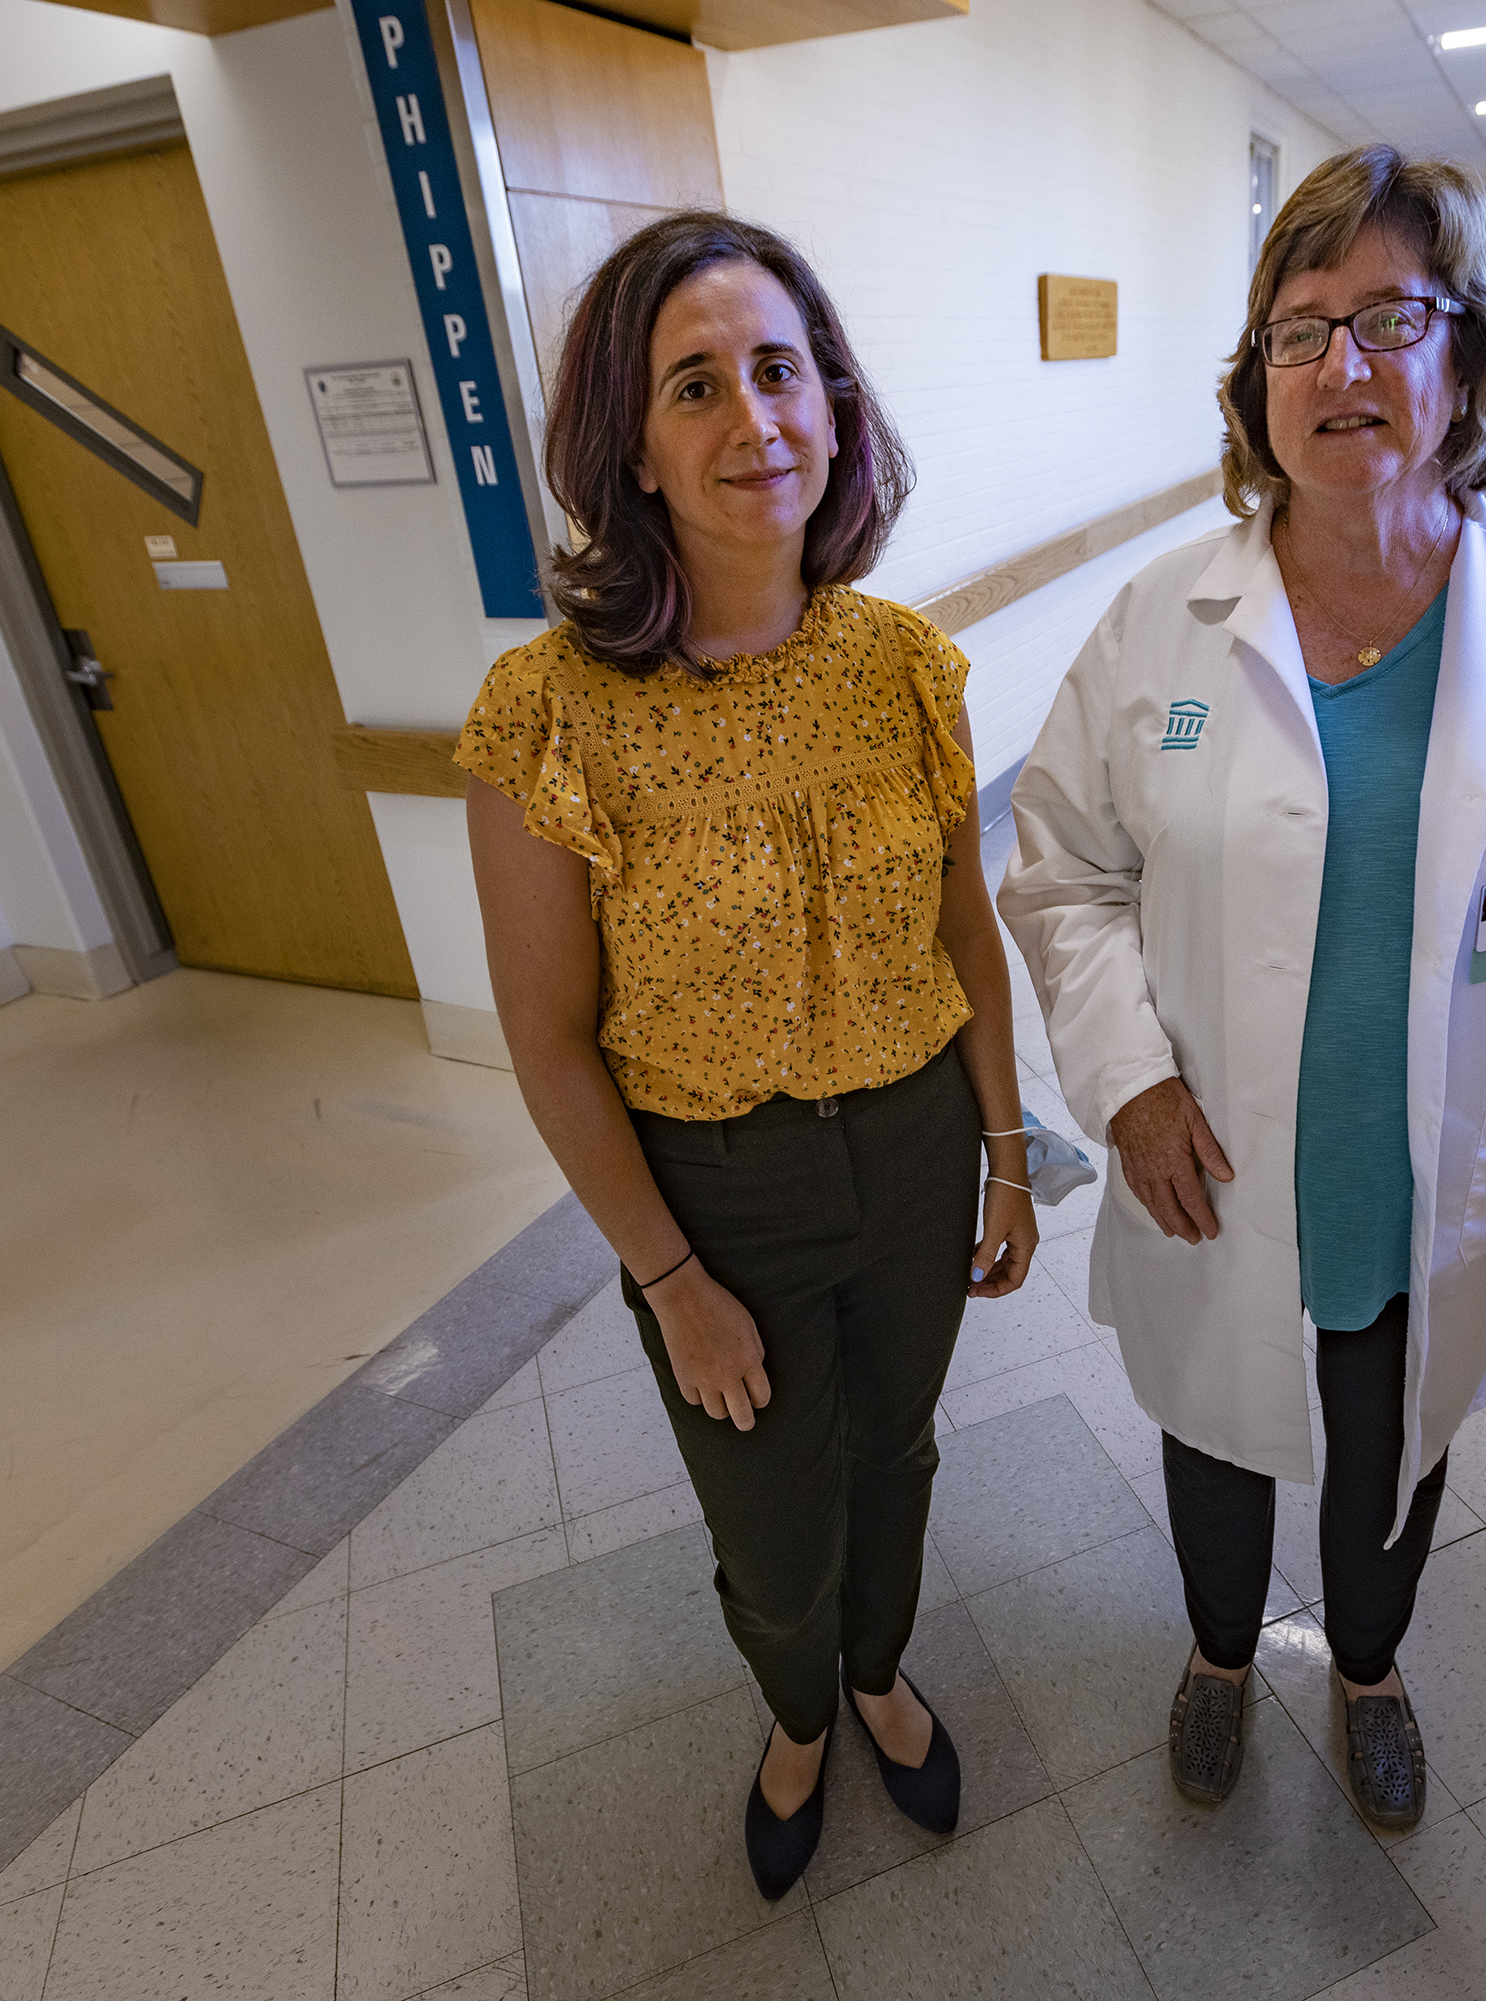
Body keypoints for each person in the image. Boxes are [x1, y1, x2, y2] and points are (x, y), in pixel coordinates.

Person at [998, 146, 1486, 1831]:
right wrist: (1128, 1081)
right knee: (1211, 1433)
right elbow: (1061, 869)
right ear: (1254, 384)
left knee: (1393, 1456)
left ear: (1463, 354)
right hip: (1217, 1166)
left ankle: (1370, 1664)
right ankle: (1218, 1654)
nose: (1341, 369)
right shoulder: (1158, 630)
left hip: (1440, 1186)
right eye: (1297, 330)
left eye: (1388, 320)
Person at [458, 211, 1037, 1899]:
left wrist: (1007, 1152)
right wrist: (670, 1278)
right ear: (629, 450)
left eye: (780, 370)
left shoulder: (904, 667)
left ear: (837, 405)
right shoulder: (546, 712)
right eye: (694, 385)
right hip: (715, 1189)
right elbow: (549, 1042)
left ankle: (878, 1676)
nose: (753, 420)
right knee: (773, 1526)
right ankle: (798, 1701)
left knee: (898, 1454)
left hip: (920, 1144)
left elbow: (964, 934)